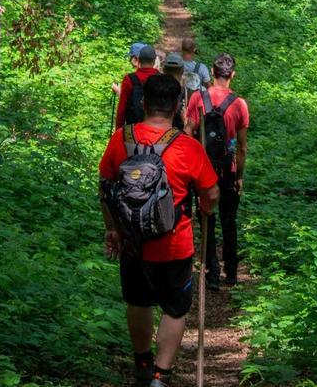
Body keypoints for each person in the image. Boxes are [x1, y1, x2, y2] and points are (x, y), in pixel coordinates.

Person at [100, 74, 220, 387]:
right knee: (175, 308)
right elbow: (211, 195)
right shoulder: (188, 147)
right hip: (174, 245)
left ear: (143, 103)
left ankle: (142, 361)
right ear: (178, 106)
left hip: (132, 243)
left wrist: (112, 229)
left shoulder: (121, 139)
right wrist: (206, 208)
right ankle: (160, 376)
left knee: (138, 302)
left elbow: (105, 187)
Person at [185, 53, 249, 290]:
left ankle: (211, 271)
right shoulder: (239, 104)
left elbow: (187, 132)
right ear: (232, 75)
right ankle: (231, 272)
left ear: (212, 72)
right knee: (229, 219)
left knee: (207, 218)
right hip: (228, 170)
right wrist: (239, 177)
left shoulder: (197, 98)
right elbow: (242, 147)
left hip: (203, 171)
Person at [116, 45, 158, 128]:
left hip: (132, 130)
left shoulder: (129, 79)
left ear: (139, 60)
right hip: (155, 128)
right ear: (154, 61)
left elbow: (122, 109)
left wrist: (118, 130)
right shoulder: (160, 78)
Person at [162, 52, 186, 129]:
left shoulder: (157, 88)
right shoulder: (183, 91)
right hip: (177, 130)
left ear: (164, 70)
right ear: (182, 71)